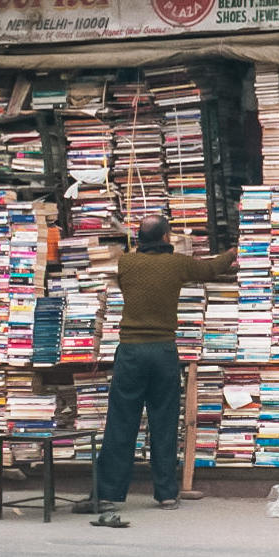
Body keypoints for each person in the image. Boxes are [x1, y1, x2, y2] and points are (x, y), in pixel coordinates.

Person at [85, 215, 236, 513]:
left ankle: (108, 494)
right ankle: (166, 493)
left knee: (121, 423)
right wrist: (232, 253)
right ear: (166, 237)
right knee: (164, 422)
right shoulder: (177, 264)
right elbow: (210, 269)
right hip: (163, 351)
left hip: (130, 351)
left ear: (140, 238)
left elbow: (142, 257)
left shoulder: (126, 263)